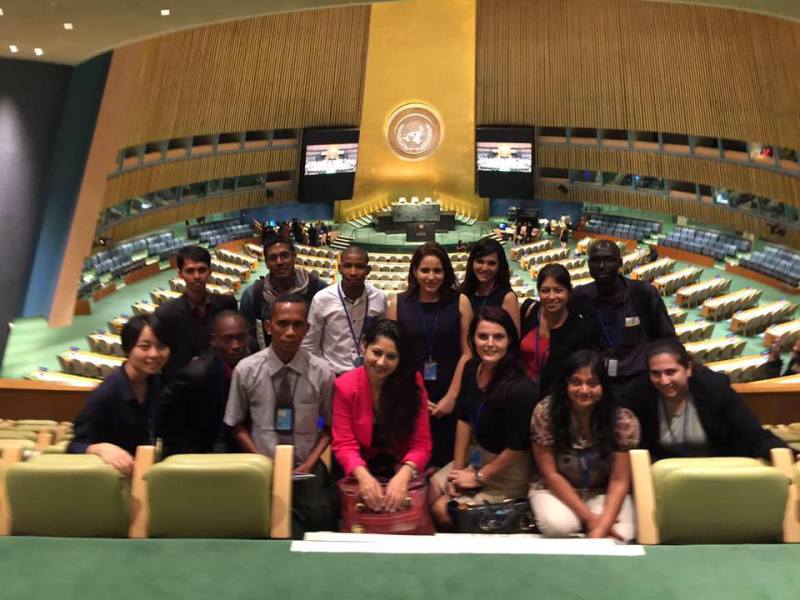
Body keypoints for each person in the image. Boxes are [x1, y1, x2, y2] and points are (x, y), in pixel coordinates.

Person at [224, 293, 336, 538]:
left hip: (305, 467)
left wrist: (309, 463)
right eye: (282, 324)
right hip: (261, 465)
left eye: (298, 324)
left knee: (322, 520)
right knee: (253, 527)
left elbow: (329, 427)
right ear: (268, 326)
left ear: (307, 328)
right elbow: (236, 424)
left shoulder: (323, 373)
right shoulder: (246, 370)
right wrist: (260, 461)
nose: (290, 332)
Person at [429, 307, 537, 527]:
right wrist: (457, 471)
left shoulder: (521, 388)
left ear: (510, 341)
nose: (490, 343)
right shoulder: (471, 368)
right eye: (483, 336)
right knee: (430, 490)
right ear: (473, 339)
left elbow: (517, 448)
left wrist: (478, 477)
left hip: (505, 472)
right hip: (475, 459)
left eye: (498, 337)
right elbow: (464, 419)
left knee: (443, 509)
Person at [529, 350, 639, 541]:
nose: (584, 390)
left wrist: (601, 528)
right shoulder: (544, 412)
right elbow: (550, 474)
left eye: (592, 383)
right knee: (560, 527)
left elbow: (619, 481)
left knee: (624, 533)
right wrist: (590, 520)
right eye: (576, 382)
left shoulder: (623, 420)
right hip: (555, 488)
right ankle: (579, 519)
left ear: (604, 386)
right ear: (566, 384)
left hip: (602, 491)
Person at [622, 338, 788, 460]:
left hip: (716, 473)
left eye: (671, 372)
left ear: (688, 369)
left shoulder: (714, 389)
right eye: (656, 373)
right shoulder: (638, 394)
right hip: (665, 477)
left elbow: (752, 435)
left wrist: (785, 454)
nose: (664, 381)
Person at [386, 242, 473, 467]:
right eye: (425, 270)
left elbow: (467, 353)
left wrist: (452, 397)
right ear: (415, 271)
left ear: (446, 272)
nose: (431, 277)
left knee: (446, 463)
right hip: (410, 393)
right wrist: (415, 397)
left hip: (451, 392)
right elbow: (393, 355)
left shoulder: (460, 302)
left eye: (437, 270)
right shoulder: (398, 303)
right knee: (413, 463)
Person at [332, 319, 432, 512]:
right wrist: (364, 477)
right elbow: (344, 445)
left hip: (401, 466)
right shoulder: (345, 386)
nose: (381, 362)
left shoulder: (413, 383)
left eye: (391, 357)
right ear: (364, 347)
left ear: (400, 359)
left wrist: (404, 475)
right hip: (358, 468)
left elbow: (421, 444)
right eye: (376, 353)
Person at [68, 315, 170, 474]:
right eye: (145, 346)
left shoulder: (157, 382)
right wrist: (101, 449)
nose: (154, 354)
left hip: (141, 472)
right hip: (110, 479)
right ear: (128, 350)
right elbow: (75, 446)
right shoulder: (106, 394)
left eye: (161, 346)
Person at [571, 239, 675, 386]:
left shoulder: (643, 293)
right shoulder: (580, 296)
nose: (601, 266)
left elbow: (666, 337)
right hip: (597, 382)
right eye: (596, 261)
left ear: (620, 263)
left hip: (638, 380)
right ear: (588, 265)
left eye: (609, 260)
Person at [158, 311, 249, 456]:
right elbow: (165, 417)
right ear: (213, 340)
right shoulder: (195, 375)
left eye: (241, 338)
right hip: (201, 454)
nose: (236, 345)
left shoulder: (253, 358)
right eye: (227, 339)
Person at [155, 245, 237, 381]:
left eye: (202, 270)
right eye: (190, 271)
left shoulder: (227, 304)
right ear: (180, 274)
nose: (197, 276)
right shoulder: (165, 315)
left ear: (210, 272)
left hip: (224, 381)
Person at [302, 246, 387, 375]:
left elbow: (384, 338)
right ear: (339, 269)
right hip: (333, 375)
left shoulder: (379, 298)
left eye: (359, 266)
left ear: (368, 270)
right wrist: (322, 373)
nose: (353, 272)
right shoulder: (322, 299)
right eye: (347, 266)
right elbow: (310, 344)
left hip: (369, 374)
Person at [239, 234, 326, 351]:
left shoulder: (318, 289)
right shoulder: (252, 295)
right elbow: (247, 335)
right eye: (273, 258)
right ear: (266, 263)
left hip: (311, 359)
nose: (279, 262)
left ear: (294, 257)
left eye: (284, 256)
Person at [521, 263, 594, 398]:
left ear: (569, 292)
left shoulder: (580, 329)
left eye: (558, 290)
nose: (551, 296)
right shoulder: (529, 311)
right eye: (545, 290)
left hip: (555, 400)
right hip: (521, 394)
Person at [461, 237, 520, 332]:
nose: (484, 268)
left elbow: (513, 339)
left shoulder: (508, 298)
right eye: (480, 261)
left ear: (500, 266)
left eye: (491, 263)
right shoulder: (464, 290)